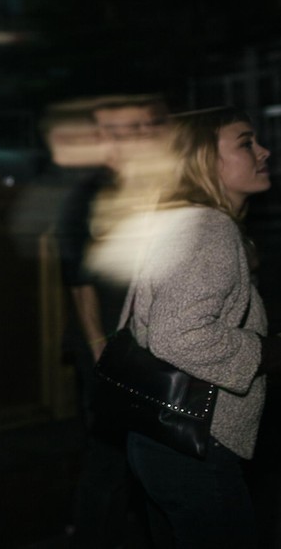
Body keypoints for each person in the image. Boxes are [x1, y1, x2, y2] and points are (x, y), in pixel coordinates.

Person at [117, 106, 274, 548]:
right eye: (246, 143)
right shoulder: (209, 226)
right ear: (205, 158)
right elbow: (175, 333)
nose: (264, 151)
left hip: (160, 438)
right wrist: (261, 352)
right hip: (197, 445)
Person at [55, 94, 168, 548]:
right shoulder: (86, 194)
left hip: (149, 341)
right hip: (104, 343)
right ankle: (88, 536)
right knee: (109, 452)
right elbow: (78, 279)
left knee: (150, 454)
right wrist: (100, 349)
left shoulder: (158, 183)